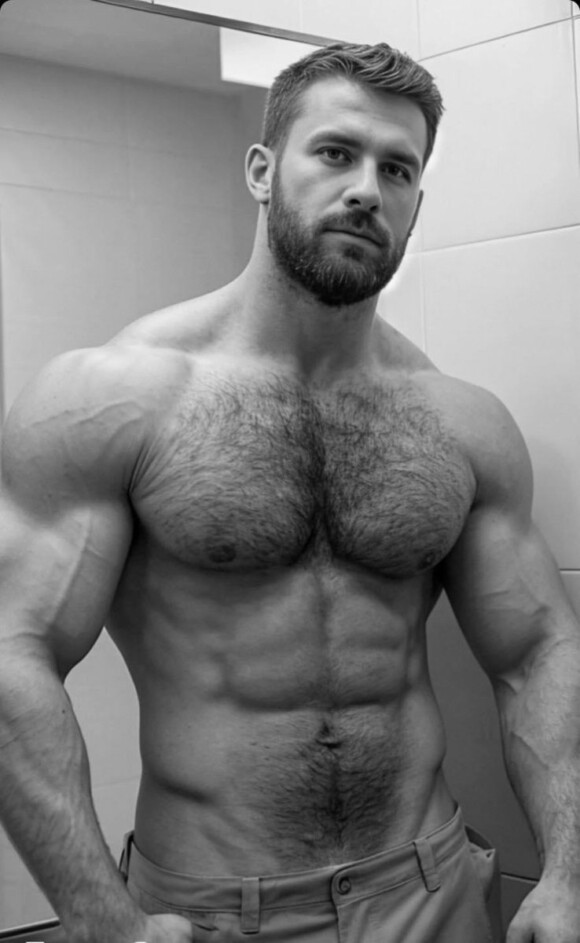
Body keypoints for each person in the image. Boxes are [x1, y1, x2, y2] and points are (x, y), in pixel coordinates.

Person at [0, 40, 579, 943]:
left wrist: (569, 873)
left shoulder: (462, 422)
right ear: (263, 170)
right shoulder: (118, 396)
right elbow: (14, 651)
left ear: (417, 203)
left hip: (432, 892)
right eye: (336, 152)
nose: (366, 190)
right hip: (211, 911)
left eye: (397, 169)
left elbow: (538, 651)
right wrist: (101, 917)